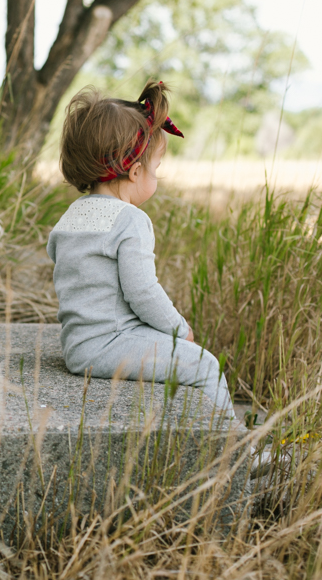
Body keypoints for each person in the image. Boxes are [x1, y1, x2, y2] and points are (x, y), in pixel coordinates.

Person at [46, 80, 235, 422]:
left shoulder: (70, 217)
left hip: (78, 344)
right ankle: (234, 450)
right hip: (111, 344)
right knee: (204, 363)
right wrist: (180, 331)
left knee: (174, 352)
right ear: (134, 172)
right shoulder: (129, 220)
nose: (157, 178)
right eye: (156, 170)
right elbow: (142, 292)